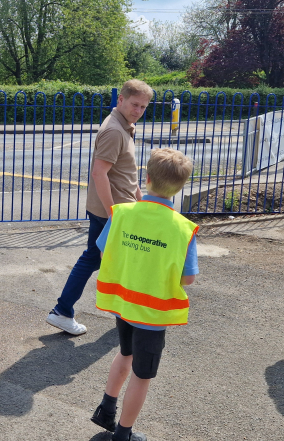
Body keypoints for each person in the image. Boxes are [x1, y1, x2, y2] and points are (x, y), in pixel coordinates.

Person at [88, 148, 198, 441]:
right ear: (181, 186)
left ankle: (106, 409)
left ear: (146, 178)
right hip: (152, 313)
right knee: (142, 375)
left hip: (123, 304)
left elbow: (103, 248)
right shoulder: (182, 228)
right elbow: (188, 277)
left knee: (124, 353)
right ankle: (123, 434)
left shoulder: (121, 213)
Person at [46, 79, 153, 335]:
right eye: (134, 104)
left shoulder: (125, 126)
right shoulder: (115, 131)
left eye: (143, 107)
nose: (138, 110)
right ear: (121, 100)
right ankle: (68, 311)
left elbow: (126, 172)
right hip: (112, 211)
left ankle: (65, 311)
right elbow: (99, 173)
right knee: (118, 259)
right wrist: (113, 212)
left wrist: (140, 199)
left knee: (97, 259)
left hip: (118, 209)